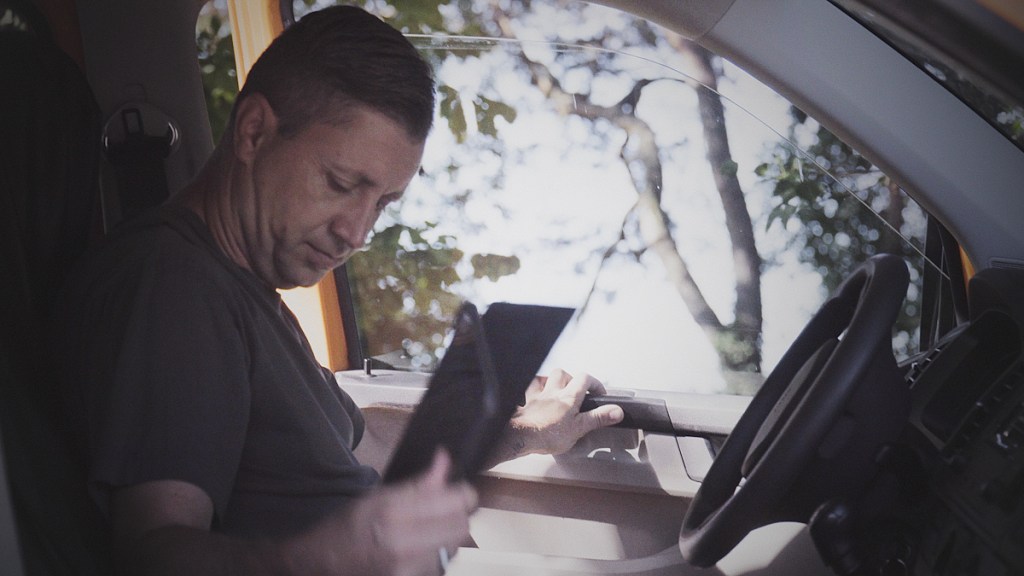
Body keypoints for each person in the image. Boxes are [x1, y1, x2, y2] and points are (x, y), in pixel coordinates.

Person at [53, 5, 624, 576]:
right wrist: (322, 557)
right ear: (253, 132)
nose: (357, 233)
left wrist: (527, 432)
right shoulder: (175, 290)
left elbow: (359, 441)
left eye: (382, 204)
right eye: (341, 183)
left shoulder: (252, 295)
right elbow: (151, 554)